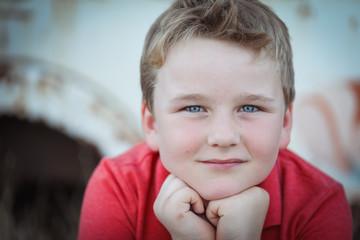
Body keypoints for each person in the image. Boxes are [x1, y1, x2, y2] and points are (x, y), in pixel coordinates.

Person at [78, 0, 353, 239]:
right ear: (152, 125)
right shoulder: (119, 188)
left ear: (284, 123)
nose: (223, 137)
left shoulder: (318, 203)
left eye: (250, 107)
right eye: (194, 108)